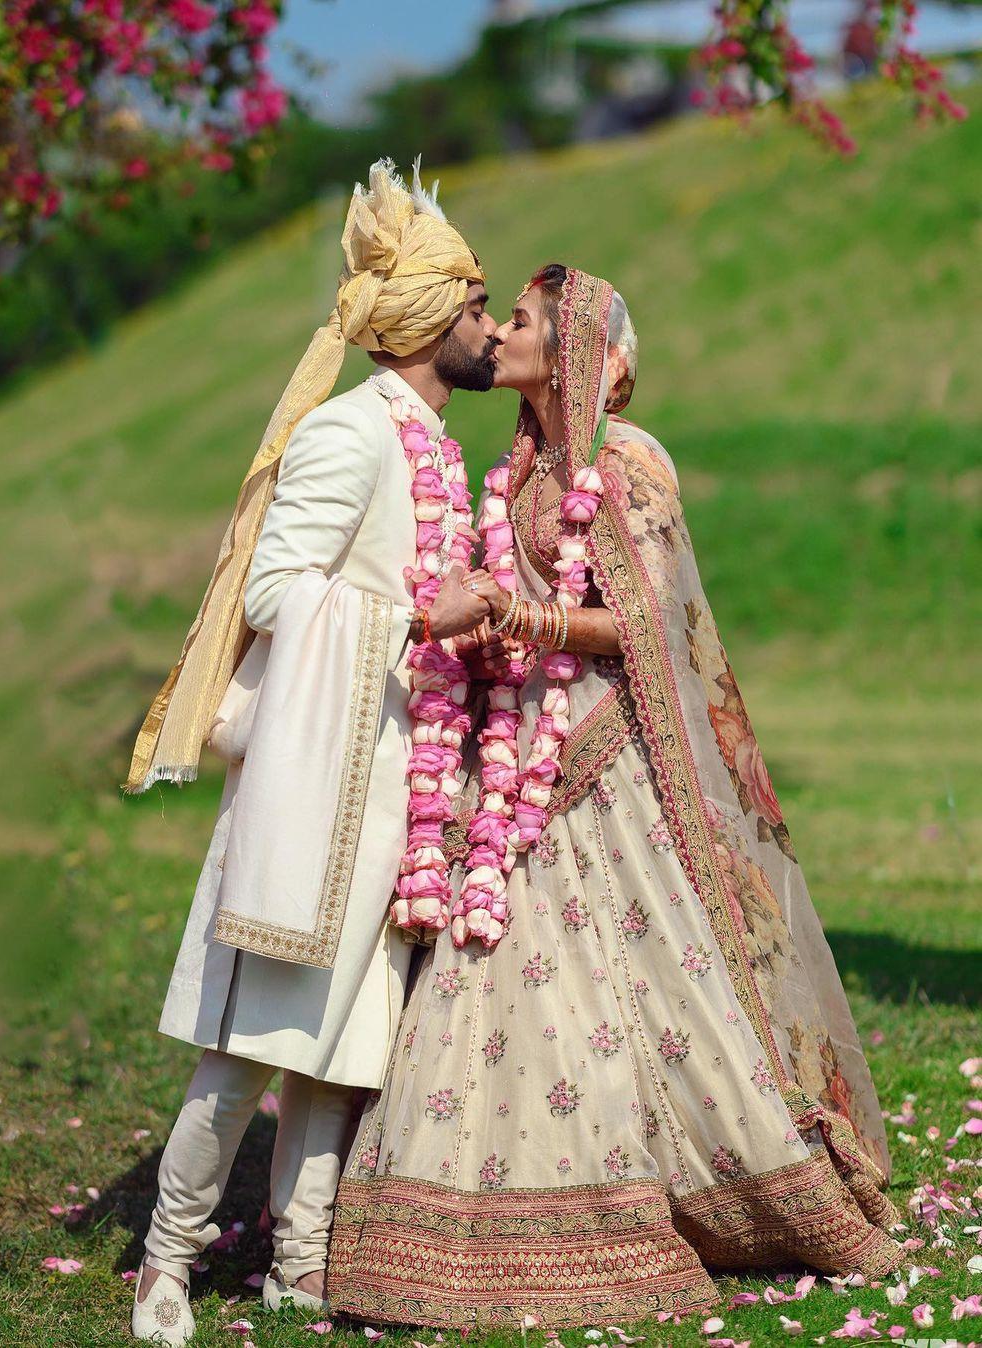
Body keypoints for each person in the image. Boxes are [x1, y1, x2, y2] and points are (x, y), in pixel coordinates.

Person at [326, 265, 902, 1329]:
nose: (499, 332)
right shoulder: (522, 466)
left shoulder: (630, 465)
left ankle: (699, 1192)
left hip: (606, 763)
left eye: (526, 320)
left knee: (636, 988)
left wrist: (509, 611)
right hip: (518, 759)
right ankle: (456, 1212)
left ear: (581, 346)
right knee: (494, 970)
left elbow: (642, 628)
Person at [124, 159, 498, 1344]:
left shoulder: (434, 445)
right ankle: (167, 1266)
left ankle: (300, 1267)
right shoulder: (351, 432)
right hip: (314, 786)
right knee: (244, 1058)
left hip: (397, 785)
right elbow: (281, 589)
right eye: (480, 306)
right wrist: (414, 620)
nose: (493, 328)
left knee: (341, 1056)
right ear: (434, 321)